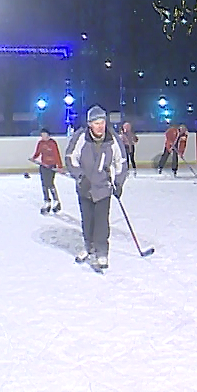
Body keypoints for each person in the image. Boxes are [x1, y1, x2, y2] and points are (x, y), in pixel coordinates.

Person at [65, 105, 127, 270]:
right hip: (85, 187)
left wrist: (119, 183)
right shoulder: (80, 137)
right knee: (87, 220)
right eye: (96, 123)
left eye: (102, 122)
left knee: (101, 222)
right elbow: (71, 157)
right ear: (89, 124)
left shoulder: (112, 139)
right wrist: (80, 176)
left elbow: (121, 162)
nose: (100, 126)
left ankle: (101, 252)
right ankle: (89, 246)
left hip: (103, 188)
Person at [30, 128, 64, 215]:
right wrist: (34, 158)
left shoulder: (52, 143)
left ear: (48, 135)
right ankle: (47, 201)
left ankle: (56, 201)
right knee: (44, 184)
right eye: (42, 135)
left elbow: (56, 154)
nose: (43, 137)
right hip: (43, 166)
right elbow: (38, 152)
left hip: (51, 166)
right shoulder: (40, 143)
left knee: (50, 183)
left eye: (45, 135)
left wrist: (59, 166)